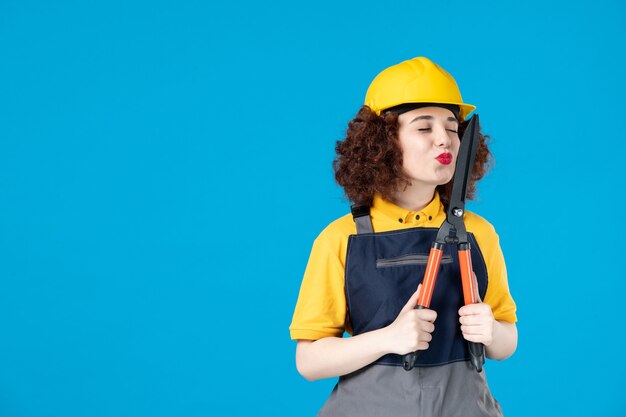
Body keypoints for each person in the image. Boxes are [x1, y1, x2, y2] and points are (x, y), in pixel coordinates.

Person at [289, 57, 517, 417]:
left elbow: (506, 342)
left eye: (452, 127)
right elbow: (308, 361)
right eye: (423, 128)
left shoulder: (478, 233)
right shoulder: (341, 238)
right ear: (382, 142)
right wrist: (389, 338)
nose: (445, 139)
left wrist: (490, 329)